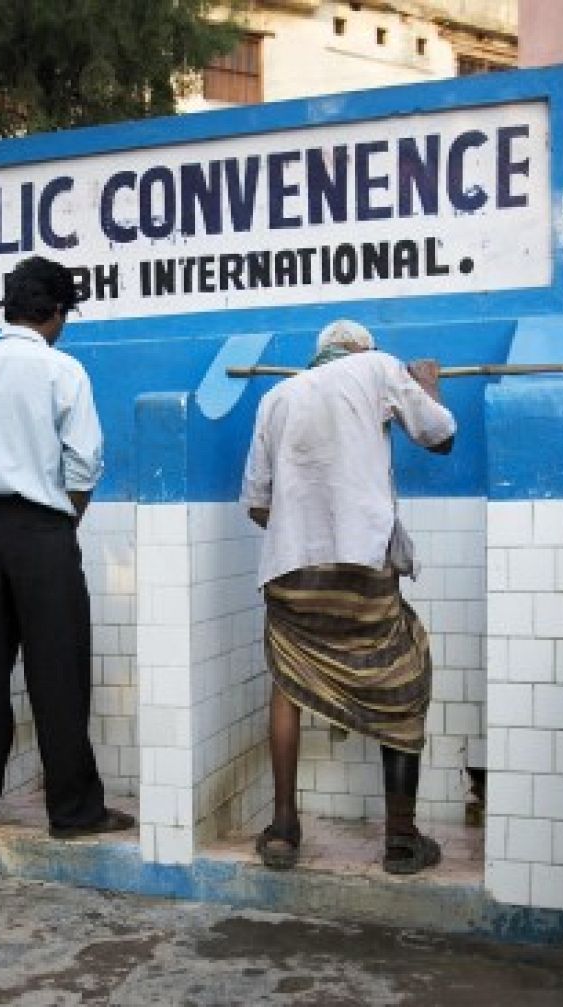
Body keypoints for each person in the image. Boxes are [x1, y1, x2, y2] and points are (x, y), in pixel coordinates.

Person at [239, 319, 457, 874]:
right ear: (362, 349)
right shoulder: (379, 367)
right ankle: (402, 840)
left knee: (288, 680)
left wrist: (305, 532)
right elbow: (440, 436)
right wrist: (426, 384)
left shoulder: (276, 396)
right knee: (402, 676)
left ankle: (284, 829)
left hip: (289, 568)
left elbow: (258, 505)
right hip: (361, 562)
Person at [0, 255, 135, 841]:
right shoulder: (62, 370)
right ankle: (73, 811)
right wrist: (62, 524)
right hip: (42, 530)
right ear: (53, 312)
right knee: (59, 673)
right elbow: (84, 462)